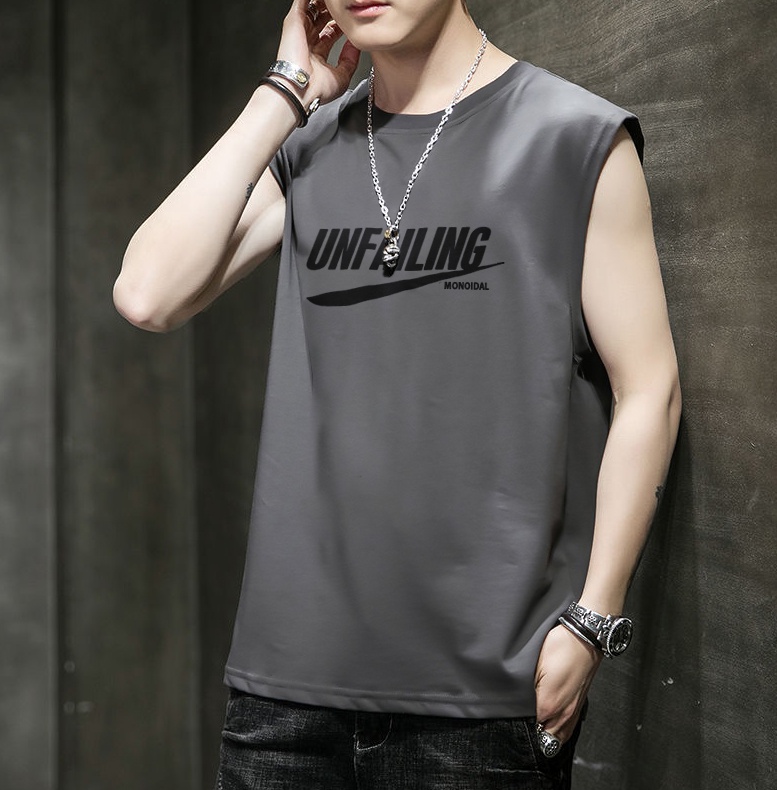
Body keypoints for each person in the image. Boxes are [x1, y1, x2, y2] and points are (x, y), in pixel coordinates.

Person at [115, 0, 681, 787]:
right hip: (285, 699)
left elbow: (649, 388)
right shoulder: (307, 146)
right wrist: (285, 91)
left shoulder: (573, 136)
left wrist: (592, 621)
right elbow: (148, 294)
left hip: (482, 702)